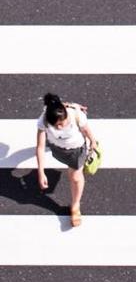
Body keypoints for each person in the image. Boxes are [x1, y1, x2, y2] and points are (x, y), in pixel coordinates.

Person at [35, 92, 98, 226]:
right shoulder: (44, 119)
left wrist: (93, 141)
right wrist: (41, 172)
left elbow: (86, 130)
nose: (59, 127)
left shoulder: (76, 116)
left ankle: (75, 206)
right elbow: (40, 147)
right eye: (55, 125)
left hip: (76, 149)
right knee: (72, 173)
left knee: (75, 176)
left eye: (62, 124)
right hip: (57, 148)